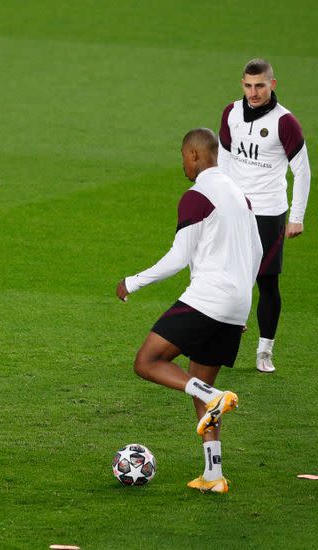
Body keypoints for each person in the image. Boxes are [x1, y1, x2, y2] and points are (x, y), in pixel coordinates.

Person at [116, 128, 263, 493]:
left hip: (208, 298)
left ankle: (213, 397)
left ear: (195, 156)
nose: (182, 162)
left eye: (183, 155)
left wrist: (133, 281)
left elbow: (178, 258)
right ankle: (213, 476)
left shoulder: (197, 195)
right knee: (201, 388)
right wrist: (240, 308)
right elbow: (258, 253)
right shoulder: (240, 197)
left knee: (147, 362)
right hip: (235, 303)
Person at [218, 58, 311, 373]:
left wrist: (296, 217)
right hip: (236, 211)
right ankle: (222, 345)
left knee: (266, 282)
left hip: (270, 213)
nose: (253, 92)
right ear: (242, 83)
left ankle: (264, 352)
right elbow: (225, 159)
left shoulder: (285, 122)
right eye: (248, 85)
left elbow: (303, 172)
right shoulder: (231, 113)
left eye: (259, 85)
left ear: (272, 84)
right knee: (227, 279)